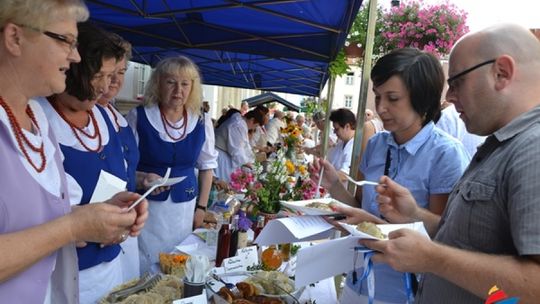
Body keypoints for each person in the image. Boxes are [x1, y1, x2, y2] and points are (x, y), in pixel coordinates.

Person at [350, 24, 540, 304]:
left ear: (502, 72)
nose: (449, 97)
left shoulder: (532, 149)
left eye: (458, 81)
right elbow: (468, 242)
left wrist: (432, 258)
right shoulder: (503, 146)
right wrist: (416, 214)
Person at [0, 1, 147, 303]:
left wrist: (101, 211)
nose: (76, 56)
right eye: (65, 40)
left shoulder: (37, 119)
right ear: (14, 37)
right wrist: (72, 226)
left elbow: (35, 223)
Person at [312, 48, 470, 304]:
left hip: (403, 292)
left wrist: (374, 222)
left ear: (421, 98)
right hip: (357, 278)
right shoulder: (376, 144)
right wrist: (334, 187)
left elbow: (443, 238)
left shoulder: (445, 154)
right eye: (378, 96)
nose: (381, 107)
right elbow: (358, 205)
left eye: (393, 98)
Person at [40, 22, 140, 304]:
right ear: (73, 69)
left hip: (110, 267)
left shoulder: (105, 116)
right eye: (99, 75)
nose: (107, 86)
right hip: (64, 276)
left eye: (111, 75)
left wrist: (127, 210)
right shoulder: (40, 118)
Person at [126, 56, 219, 274]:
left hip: (185, 208)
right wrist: (142, 178)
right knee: (148, 264)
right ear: (158, 83)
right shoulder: (138, 116)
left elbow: (207, 167)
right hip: (148, 208)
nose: (178, 90)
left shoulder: (201, 120)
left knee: (179, 261)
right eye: (171, 82)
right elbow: (125, 165)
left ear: (193, 88)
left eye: (185, 84)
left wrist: (202, 208)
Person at [96, 32, 141, 282]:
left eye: (121, 72)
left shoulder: (118, 117)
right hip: (97, 234)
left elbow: (126, 168)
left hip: (124, 227)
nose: (113, 80)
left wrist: (143, 179)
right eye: (108, 72)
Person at [214, 108, 266, 182]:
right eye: (255, 126)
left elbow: (245, 145)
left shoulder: (241, 124)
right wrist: (247, 163)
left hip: (225, 154)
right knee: (223, 182)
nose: (254, 129)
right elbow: (236, 150)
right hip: (220, 156)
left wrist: (251, 159)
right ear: (252, 120)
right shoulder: (238, 125)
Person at [327, 108, 356, 184]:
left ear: (347, 126)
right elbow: (329, 161)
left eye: (336, 129)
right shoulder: (341, 143)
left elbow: (344, 174)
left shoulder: (354, 147)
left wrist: (324, 176)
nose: (334, 132)